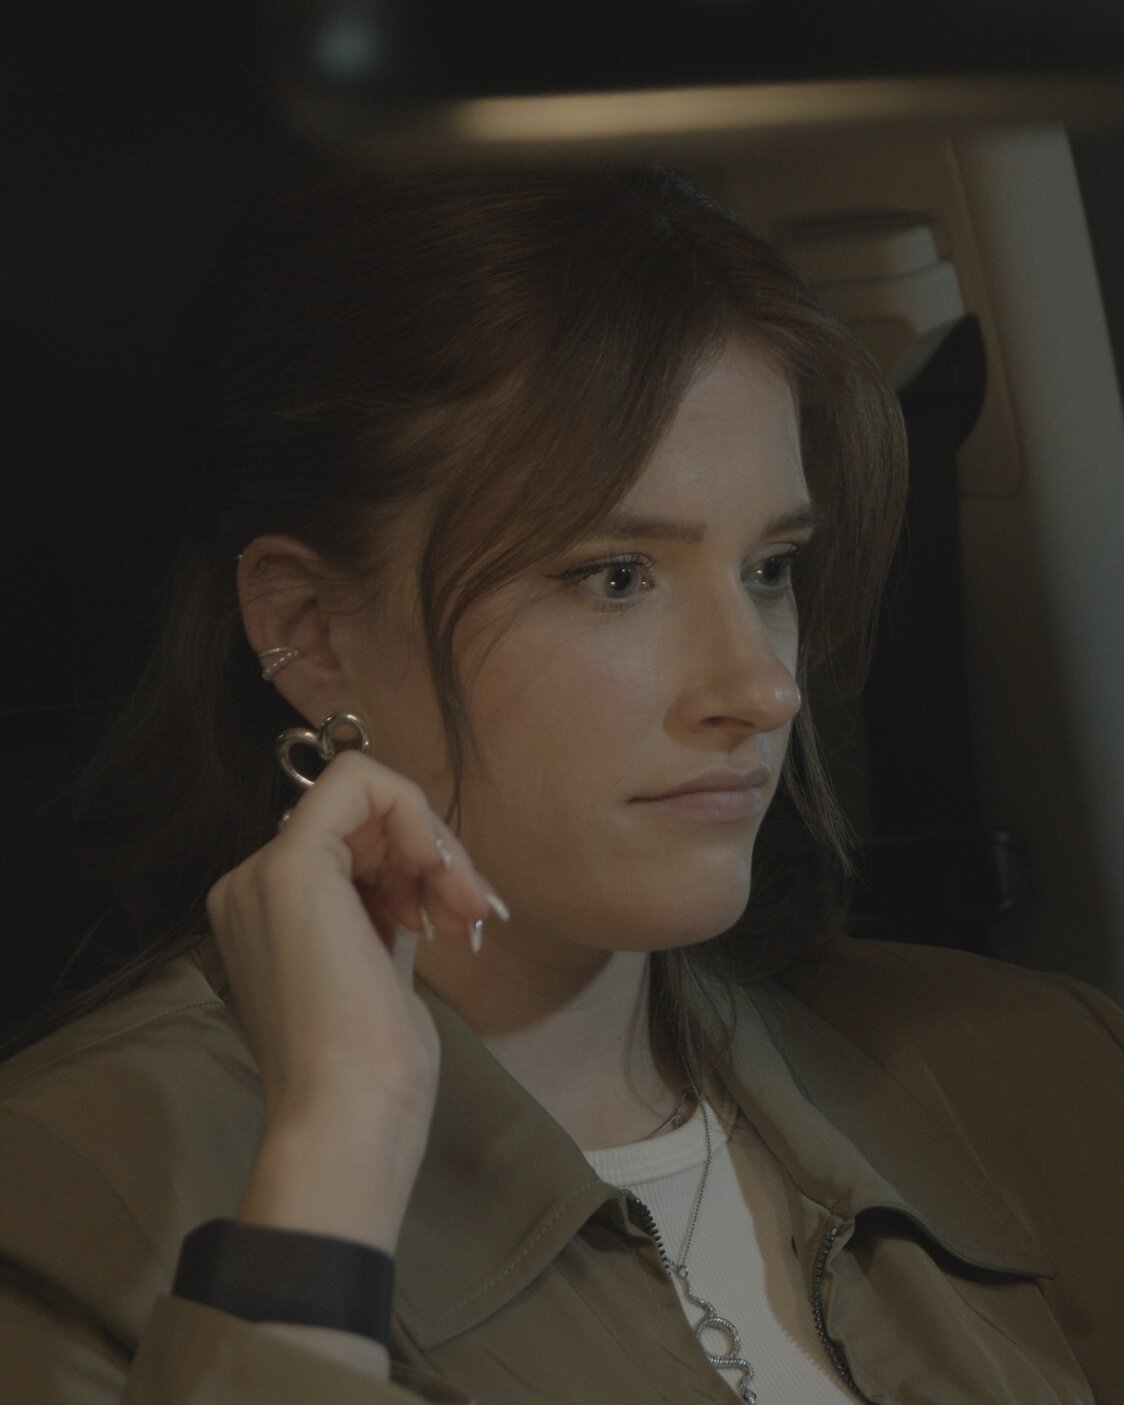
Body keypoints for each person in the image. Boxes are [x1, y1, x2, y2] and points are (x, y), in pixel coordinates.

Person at [1, 164, 1121, 1405]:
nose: (760, 689)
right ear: (309, 631)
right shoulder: (55, 1213)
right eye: (614, 576)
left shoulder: (1047, 1072)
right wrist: (338, 1147)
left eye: (768, 568)